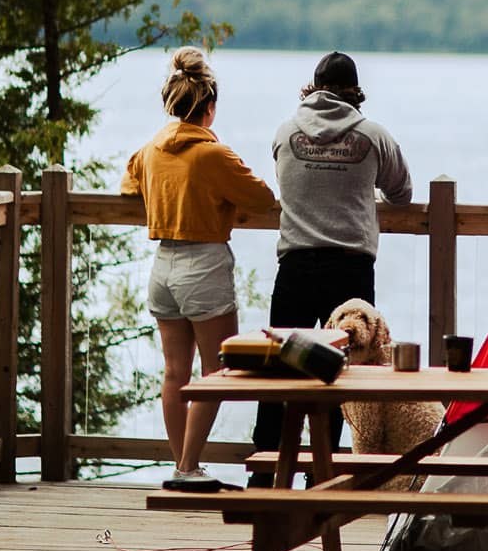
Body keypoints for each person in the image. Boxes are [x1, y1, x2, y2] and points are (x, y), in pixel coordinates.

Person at [122, 46, 276, 490]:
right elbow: (262, 198)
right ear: (209, 107)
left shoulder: (150, 150)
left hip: (162, 266)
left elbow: (128, 182)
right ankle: (187, 468)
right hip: (203, 265)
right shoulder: (214, 155)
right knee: (218, 372)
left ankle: (183, 465)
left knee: (175, 373)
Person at [251, 51, 412, 478]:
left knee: (280, 367)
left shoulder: (285, 133)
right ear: (355, 92)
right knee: (346, 372)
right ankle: (327, 470)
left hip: (297, 263)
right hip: (350, 267)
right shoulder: (373, 135)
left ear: (312, 87)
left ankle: (264, 469)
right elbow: (403, 192)